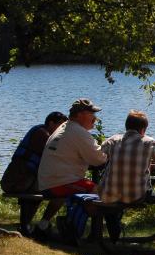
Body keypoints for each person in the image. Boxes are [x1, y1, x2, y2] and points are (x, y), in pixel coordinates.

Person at [34, 98, 107, 238]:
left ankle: (43, 226)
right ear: (80, 115)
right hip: (59, 182)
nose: (95, 118)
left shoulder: (65, 127)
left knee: (75, 189)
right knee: (99, 193)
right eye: (92, 114)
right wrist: (111, 153)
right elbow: (99, 159)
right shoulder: (78, 132)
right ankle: (76, 230)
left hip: (47, 181)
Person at [97, 110, 155, 204]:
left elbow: (99, 154)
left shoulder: (112, 140)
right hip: (135, 197)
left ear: (126, 127)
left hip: (108, 195)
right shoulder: (149, 142)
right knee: (151, 185)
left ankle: (113, 217)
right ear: (143, 130)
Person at [1, 111, 67, 195]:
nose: (63, 129)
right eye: (61, 125)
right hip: (15, 182)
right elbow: (56, 155)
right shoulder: (42, 134)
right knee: (63, 187)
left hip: (22, 180)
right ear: (51, 123)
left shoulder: (45, 133)